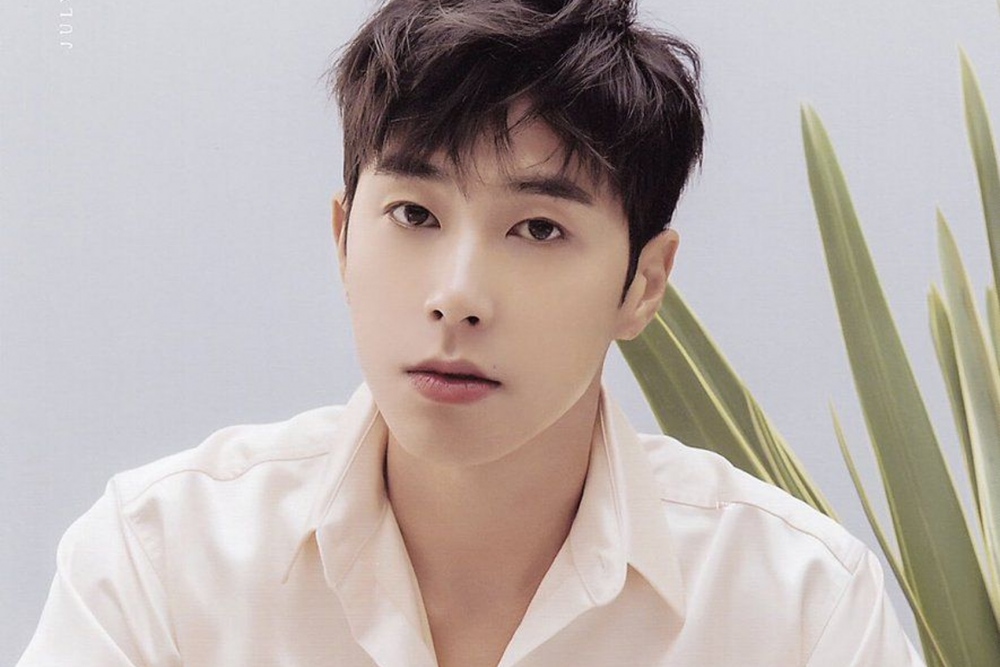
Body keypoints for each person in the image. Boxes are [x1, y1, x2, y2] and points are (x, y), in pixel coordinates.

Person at [16, 0, 927, 665]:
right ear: (343, 239)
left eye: (539, 228)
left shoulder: (800, 609)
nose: (457, 297)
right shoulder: (161, 561)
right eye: (414, 213)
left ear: (643, 285)